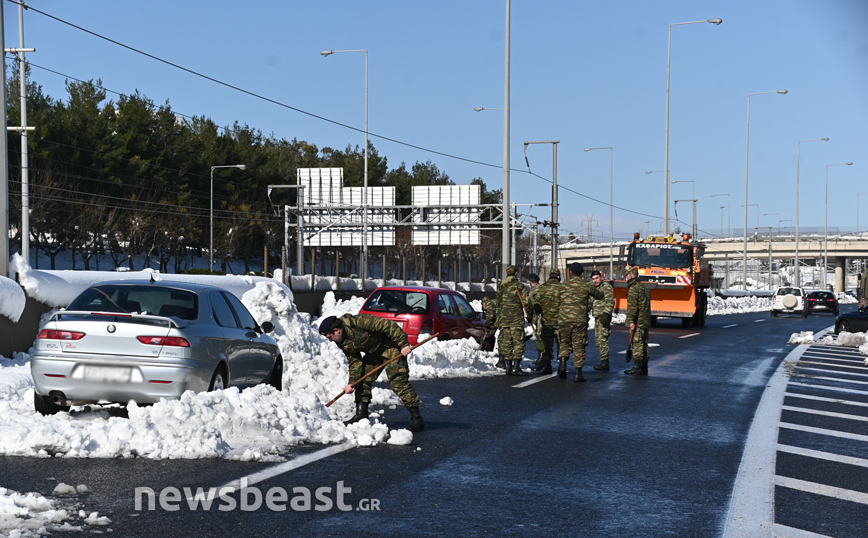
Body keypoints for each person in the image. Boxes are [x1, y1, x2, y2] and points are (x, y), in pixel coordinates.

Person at [319, 313, 425, 432]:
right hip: (374, 353)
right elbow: (355, 361)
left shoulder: (359, 322)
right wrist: (352, 383)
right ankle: (361, 415)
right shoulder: (342, 341)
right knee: (362, 379)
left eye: (330, 337)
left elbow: (388, 325)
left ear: (337, 330)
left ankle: (417, 419)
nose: (330, 340)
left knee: (398, 382)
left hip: (392, 348)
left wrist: (403, 344)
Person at [558, 262, 604, 382]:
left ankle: (562, 363)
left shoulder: (564, 285)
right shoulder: (586, 285)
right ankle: (578, 374)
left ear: (571, 272)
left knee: (564, 342)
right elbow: (599, 295)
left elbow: (557, 299)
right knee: (579, 346)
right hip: (579, 320)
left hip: (564, 319)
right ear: (582, 273)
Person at [495, 265, 530, 376]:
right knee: (519, 342)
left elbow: (498, 302)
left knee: (507, 342)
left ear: (506, 274)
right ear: (516, 274)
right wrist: (530, 315)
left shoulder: (501, 286)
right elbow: (526, 302)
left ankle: (508, 366)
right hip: (516, 319)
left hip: (505, 319)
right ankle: (516, 367)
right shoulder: (519, 286)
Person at [529, 268, 562, 374]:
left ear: (549, 277)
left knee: (547, 343)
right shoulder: (563, 288)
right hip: (560, 321)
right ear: (559, 277)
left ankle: (547, 365)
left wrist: (535, 316)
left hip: (546, 321)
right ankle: (562, 365)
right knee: (561, 343)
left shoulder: (542, 288)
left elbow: (536, 305)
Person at [624, 267, 652, 376]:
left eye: (627, 275)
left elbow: (633, 307)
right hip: (645, 320)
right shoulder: (645, 288)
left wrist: (631, 321)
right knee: (644, 342)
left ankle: (638, 366)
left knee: (637, 343)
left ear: (631, 276)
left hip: (638, 320)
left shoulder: (633, 289)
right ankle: (644, 367)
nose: (626, 278)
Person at [590, 270, 615, 372]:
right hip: (597, 316)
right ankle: (604, 360)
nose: (595, 281)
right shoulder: (594, 289)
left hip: (604, 316)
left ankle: (605, 362)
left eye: (597, 278)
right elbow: (590, 301)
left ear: (601, 278)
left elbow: (610, 302)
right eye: (593, 279)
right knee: (598, 340)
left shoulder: (607, 287)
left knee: (602, 339)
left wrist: (606, 314)